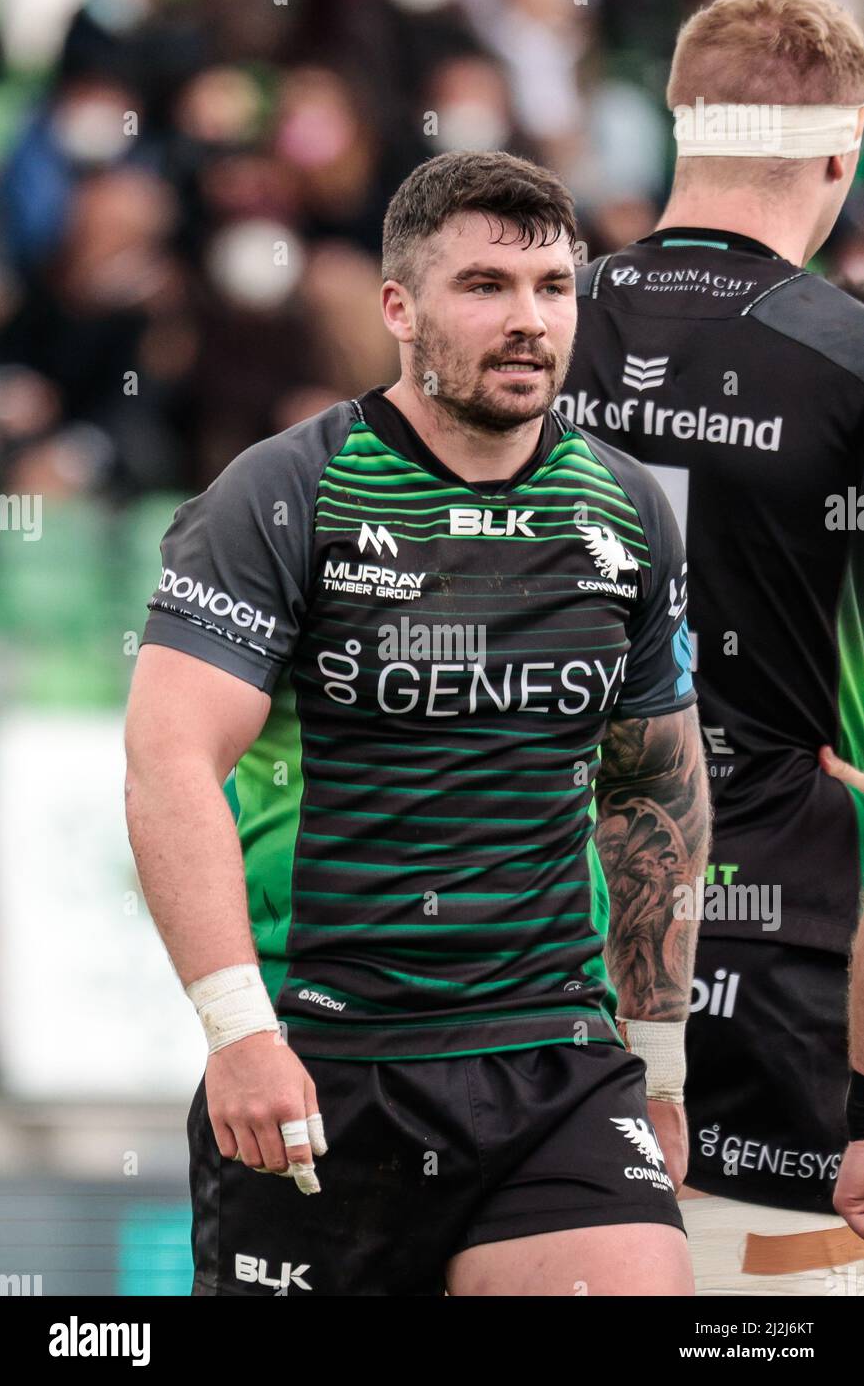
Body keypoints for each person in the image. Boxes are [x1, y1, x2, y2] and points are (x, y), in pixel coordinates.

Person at [124, 149, 709, 1297]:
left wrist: (662, 1062)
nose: (530, 319)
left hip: (555, 1056)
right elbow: (169, 758)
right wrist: (238, 1030)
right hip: (327, 1060)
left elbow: (654, 790)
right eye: (485, 286)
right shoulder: (287, 491)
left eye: (552, 286)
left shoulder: (625, 507)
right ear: (399, 307)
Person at [561, 0, 864, 1294]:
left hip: (521, 951)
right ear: (840, 159)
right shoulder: (850, 359)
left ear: (681, 123)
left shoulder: (518, 327)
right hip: (776, 968)